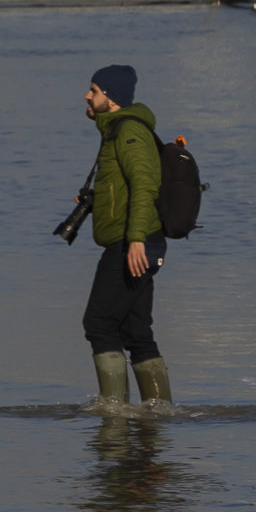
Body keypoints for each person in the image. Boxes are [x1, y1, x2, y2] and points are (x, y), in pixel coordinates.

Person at [77, 64, 171, 412]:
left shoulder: (129, 132)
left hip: (132, 243)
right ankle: (158, 415)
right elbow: (125, 188)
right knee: (136, 332)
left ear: (111, 99)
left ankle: (113, 413)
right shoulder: (115, 130)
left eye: (95, 90)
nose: (88, 96)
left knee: (99, 322)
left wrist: (135, 241)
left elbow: (145, 185)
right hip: (137, 240)